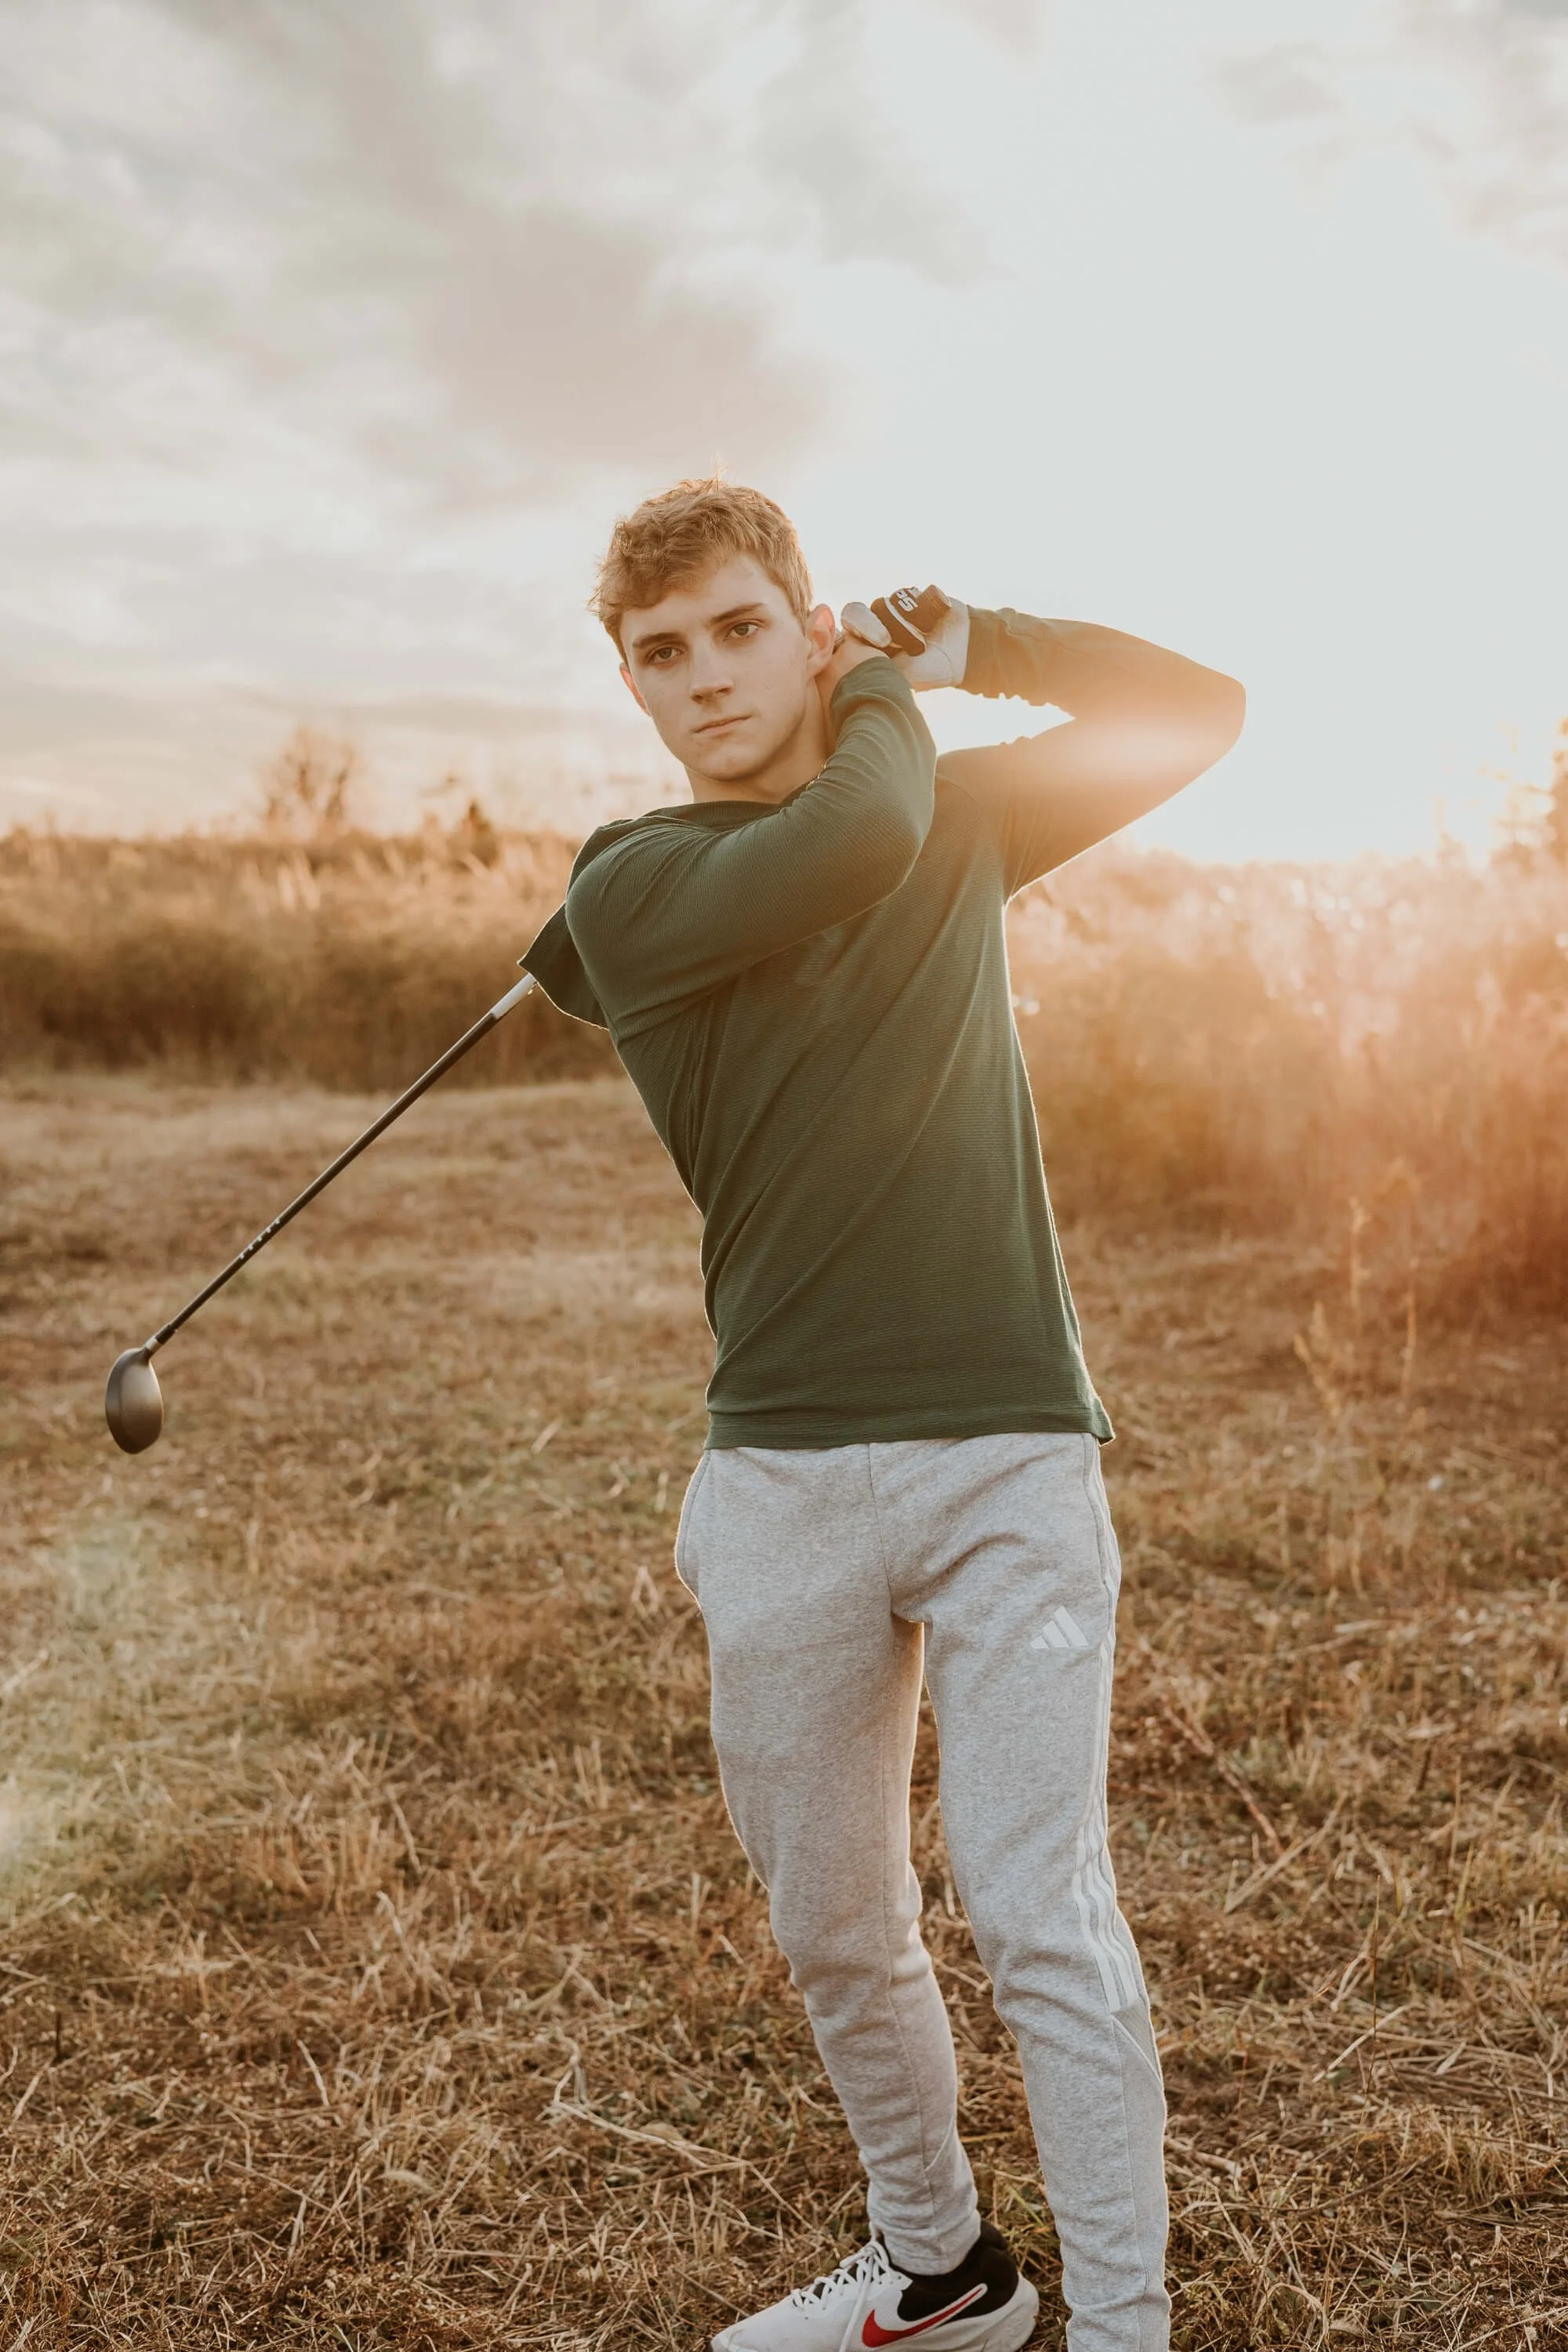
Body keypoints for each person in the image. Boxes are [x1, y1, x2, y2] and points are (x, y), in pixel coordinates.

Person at [522, 479, 1244, 2352]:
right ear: (630, 686)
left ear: (806, 624)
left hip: (1007, 1446)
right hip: (782, 1478)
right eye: (659, 653)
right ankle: (942, 2271)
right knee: (837, 1923)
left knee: (1038, 1909)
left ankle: (1126, 2329)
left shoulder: (947, 815)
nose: (702, 677)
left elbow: (1201, 712)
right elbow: (850, 835)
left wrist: (983, 644)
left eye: (739, 628)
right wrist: (880, 688)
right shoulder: (630, 888)